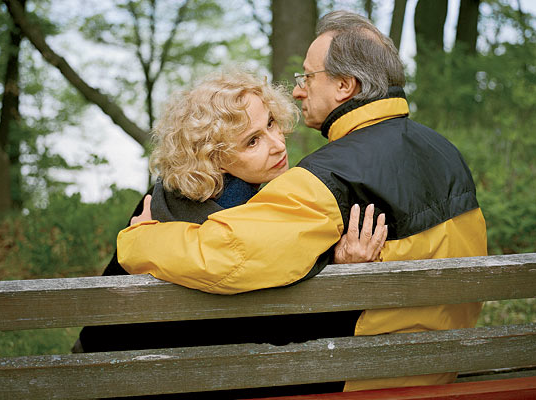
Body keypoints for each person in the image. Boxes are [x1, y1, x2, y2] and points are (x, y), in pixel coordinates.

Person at [118, 10, 487, 392]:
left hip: (370, 378)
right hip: (440, 366)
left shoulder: (331, 176)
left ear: (344, 85)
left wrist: (137, 238)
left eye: (308, 77)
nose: (297, 90)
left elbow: (228, 256)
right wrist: (340, 267)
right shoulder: (444, 151)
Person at [76, 70, 386, 375]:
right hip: (145, 377)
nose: (277, 144)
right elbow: (277, 329)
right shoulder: (232, 219)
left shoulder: (162, 202)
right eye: (252, 141)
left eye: (271, 123)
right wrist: (342, 270)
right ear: (214, 159)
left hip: (124, 369)